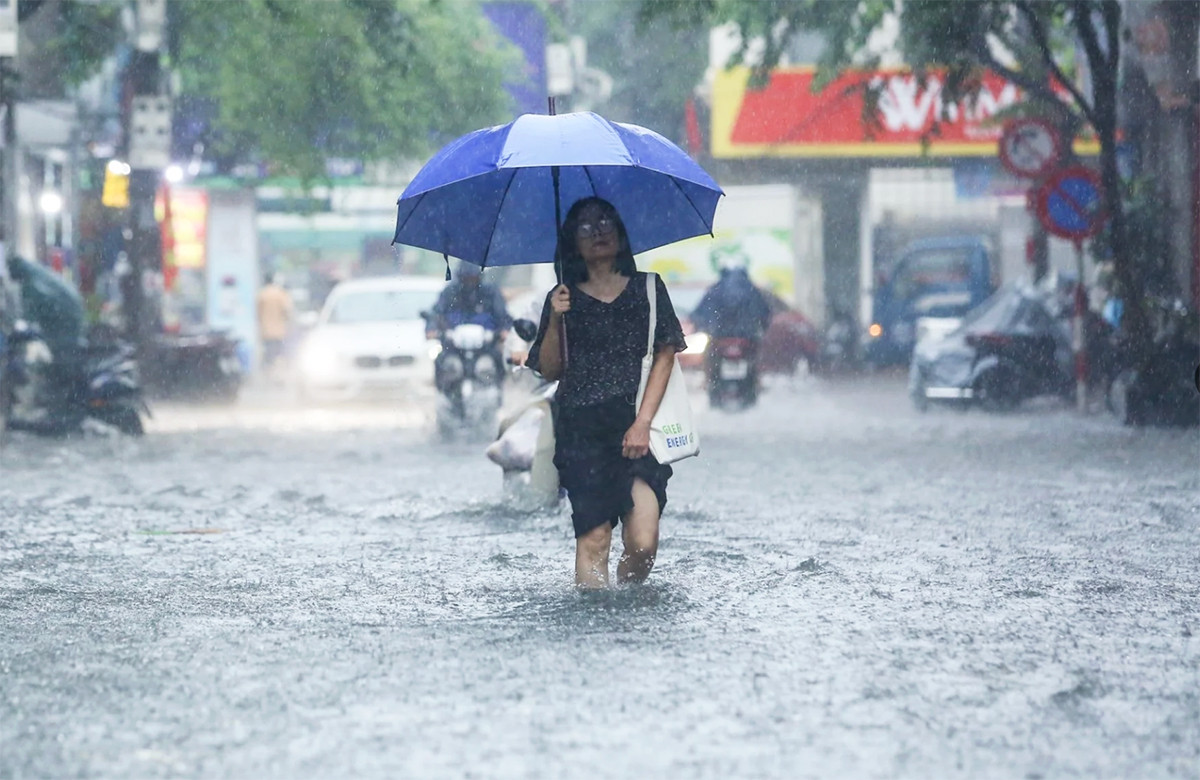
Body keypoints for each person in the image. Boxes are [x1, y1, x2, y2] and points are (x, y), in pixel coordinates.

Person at [527, 197, 688, 590]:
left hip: (637, 426)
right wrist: (555, 318)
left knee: (643, 542)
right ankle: (594, 621)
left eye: (605, 222)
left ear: (620, 231)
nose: (598, 230)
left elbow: (666, 355)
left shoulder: (647, 289)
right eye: (585, 226)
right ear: (572, 241)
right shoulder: (562, 297)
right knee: (595, 539)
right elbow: (550, 369)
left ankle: (629, 604)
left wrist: (641, 424)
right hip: (581, 431)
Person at [425, 261, 512, 339]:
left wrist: (505, 330)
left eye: (473, 278)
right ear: (460, 278)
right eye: (466, 279)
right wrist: (431, 328)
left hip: (487, 345)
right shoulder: (450, 293)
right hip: (452, 345)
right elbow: (437, 312)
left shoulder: (489, 292)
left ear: (479, 277)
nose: (469, 282)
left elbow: (502, 315)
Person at [255, 272, 293, 375]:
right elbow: (287, 311)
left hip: (266, 332)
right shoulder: (280, 293)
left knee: (268, 356)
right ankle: (279, 376)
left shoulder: (262, 294)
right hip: (279, 332)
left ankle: (268, 375)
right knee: (279, 355)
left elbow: (258, 313)